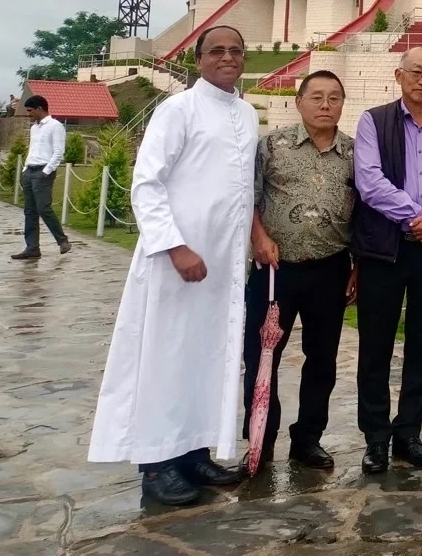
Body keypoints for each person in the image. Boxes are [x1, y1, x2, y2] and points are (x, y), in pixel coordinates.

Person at [88, 25, 257, 506]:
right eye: (217, 50)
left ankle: (194, 450)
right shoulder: (176, 110)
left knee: (208, 356)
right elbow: (147, 183)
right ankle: (157, 463)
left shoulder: (245, 114)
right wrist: (176, 247)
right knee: (166, 358)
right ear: (197, 59)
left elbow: (243, 191)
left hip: (223, 267)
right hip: (177, 261)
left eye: (235, 50)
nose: (227, 57)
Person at [352, 46, 422, 475]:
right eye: (416, 72)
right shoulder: (374, 121)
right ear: (399, 76)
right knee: (375, 344)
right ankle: (376, 438)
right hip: (384, 248)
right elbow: (370, 182)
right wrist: (418, 218)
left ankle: (409, 431)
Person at [243, 70, 357, 471]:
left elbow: (363, 213)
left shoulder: (356, 153)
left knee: (322, 358)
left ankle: (308, 439)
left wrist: (356, 266)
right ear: (299, 102)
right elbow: (250, 198)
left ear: (343, 104)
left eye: (334, 98)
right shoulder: (271, 147)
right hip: (276, 270)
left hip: (330, 269)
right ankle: (261, 437)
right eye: (317, 97)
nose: (325, 105)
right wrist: (258, 236)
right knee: (262, 354)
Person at [11, 95, 72, 260]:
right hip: (29, 170)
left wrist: (47, 170)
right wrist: (25, 168)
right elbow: (32, 149)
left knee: (44, 208)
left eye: (31, 110)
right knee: (29, 211)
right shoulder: (34, 128)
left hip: (42, 172)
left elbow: (59, 151)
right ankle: (32, 247)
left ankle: (62, 240)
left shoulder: (55, 126)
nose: (29, 114)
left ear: (39, 108)